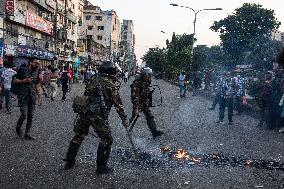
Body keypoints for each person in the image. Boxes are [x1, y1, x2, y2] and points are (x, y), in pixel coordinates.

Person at [63, 60, 128, 174]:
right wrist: (124, 119)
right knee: (107, 139)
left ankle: (69, 161)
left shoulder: (93, 79)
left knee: (78, 135)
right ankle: (101, 167)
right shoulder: (110, 84)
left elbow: (87, 94)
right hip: (97, 114)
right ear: (110, 71)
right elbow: (118, 104)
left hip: (84, 111)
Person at [130, 67, 164, 138]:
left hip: (144, 103)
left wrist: (149, 92)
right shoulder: (136, 83)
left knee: (150, 117)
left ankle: (154, 131)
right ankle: (127, 129)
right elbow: (134, 96)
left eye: (149, 75)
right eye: (147, 75)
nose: (149, 77)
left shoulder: (147, 81)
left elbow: (146, 91)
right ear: (143, 75)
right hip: (138, 103)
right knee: (134, 117)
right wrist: (136, 108)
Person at [14, 58, 41, 140]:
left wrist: (39, 97)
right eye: (36, 63)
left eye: (38, 64)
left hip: (32, 97)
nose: (37, 65)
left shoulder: (36, 72)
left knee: (31, 116)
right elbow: (15, 81)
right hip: (23, 96)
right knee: (24, 115)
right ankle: (18, 128)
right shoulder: (22, 70)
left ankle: (27, 133)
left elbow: (37, 85)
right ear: (30, 62)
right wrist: (24, 80)